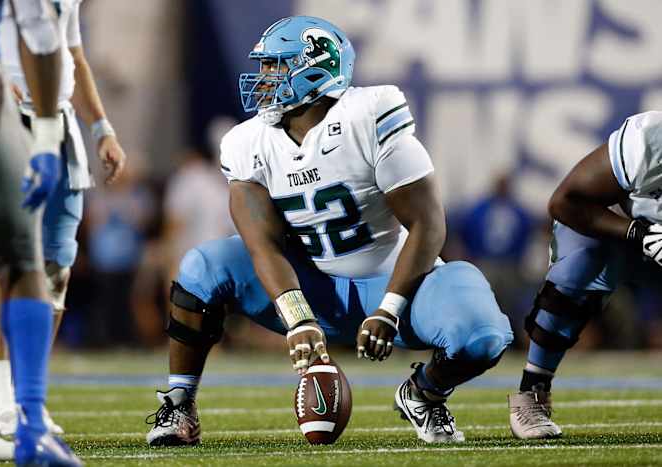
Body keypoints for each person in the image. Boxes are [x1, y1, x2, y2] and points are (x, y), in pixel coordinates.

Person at [145, 16, 513, 446]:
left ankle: (423, 393)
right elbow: (261, 243)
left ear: (316, 69)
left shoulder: (370, 115)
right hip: (311, 286)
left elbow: (429, 225)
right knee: (203, 266)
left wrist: (390, 308)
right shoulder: (248, 142)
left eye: (275, 66)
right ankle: (179, 402)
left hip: (398, 287)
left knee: (483, 335)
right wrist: (298, 318)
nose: (263, 78)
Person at [0, 0, 127, 437]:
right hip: (3, 121)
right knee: (3, 264)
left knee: (56, 272)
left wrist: (102, 128)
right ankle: (2, 404)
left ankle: (30, 399)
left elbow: (73, 57)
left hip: (59, 127)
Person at [0, 0, 81, 464]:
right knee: (21, 254)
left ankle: (0, 419)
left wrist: (50, 132)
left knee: (21, 252)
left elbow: (44, 30)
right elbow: (39, 28)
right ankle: (23, 424)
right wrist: (50, 135)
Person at [508, 111, 662, 439]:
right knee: (583, 261)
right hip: (623, 240)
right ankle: (532, 391)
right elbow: (566, 202)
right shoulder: (650, 139)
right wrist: (637, 233)